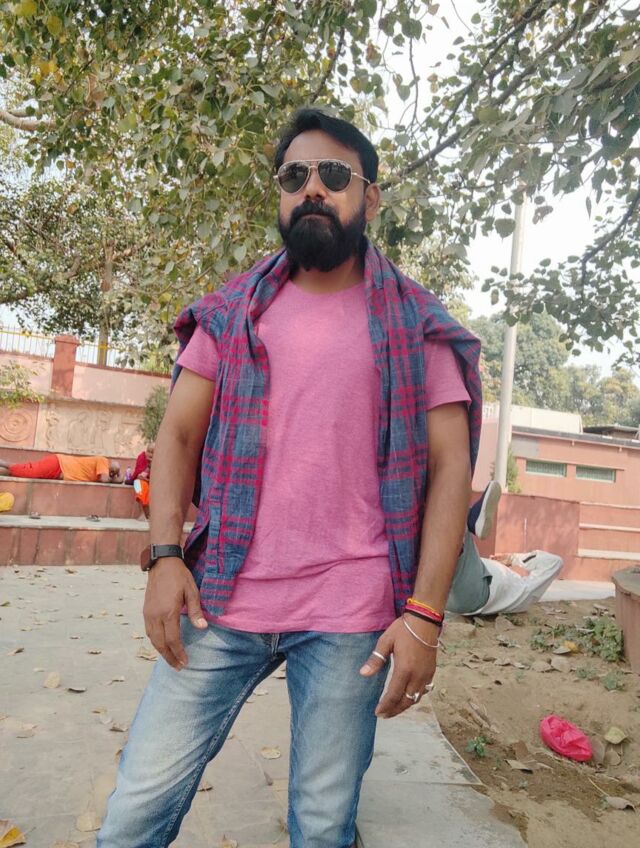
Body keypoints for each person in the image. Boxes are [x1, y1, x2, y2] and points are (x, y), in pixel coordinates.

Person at [98, 108, 483, 848]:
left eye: (334, 175)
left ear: (370, 198)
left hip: (350, 613)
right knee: (134, 811)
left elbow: (449, 470)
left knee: (322, 825)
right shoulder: (232, 313)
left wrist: (425, 617)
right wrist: (166, 556)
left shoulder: (417, 324)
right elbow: (177, 435)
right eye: (293, 176)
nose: (312, 188)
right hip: (220, 598)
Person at [448, 481, 563, 616]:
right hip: (453, 595)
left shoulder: (524, 591)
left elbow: (554, 562)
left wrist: (513, 558)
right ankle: (471, 518)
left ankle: (471, 517)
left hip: (474, 592)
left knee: (450, 522)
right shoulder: (518, 594)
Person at [0, 453, 123, 483]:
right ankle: (3, 462)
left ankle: (3, 470)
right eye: (112, 471)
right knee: (28, 471)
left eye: (113, 473)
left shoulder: (104, 467)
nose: (111, 473)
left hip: (59, 468)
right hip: (59, 464)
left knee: (24, 471)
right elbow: (104, 480)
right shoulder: (103, 461)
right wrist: (118, 477)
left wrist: (117, 475)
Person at [126, 444, 154, 518]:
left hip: (153, 482)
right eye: (148, 451)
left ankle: (149, 513)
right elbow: (138, 475)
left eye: (152, 452)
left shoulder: (158, 461)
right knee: (138, 484)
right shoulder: (141, 457)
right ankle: (142, 512)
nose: (150, 454)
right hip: (139, 481)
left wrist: (151, 465)